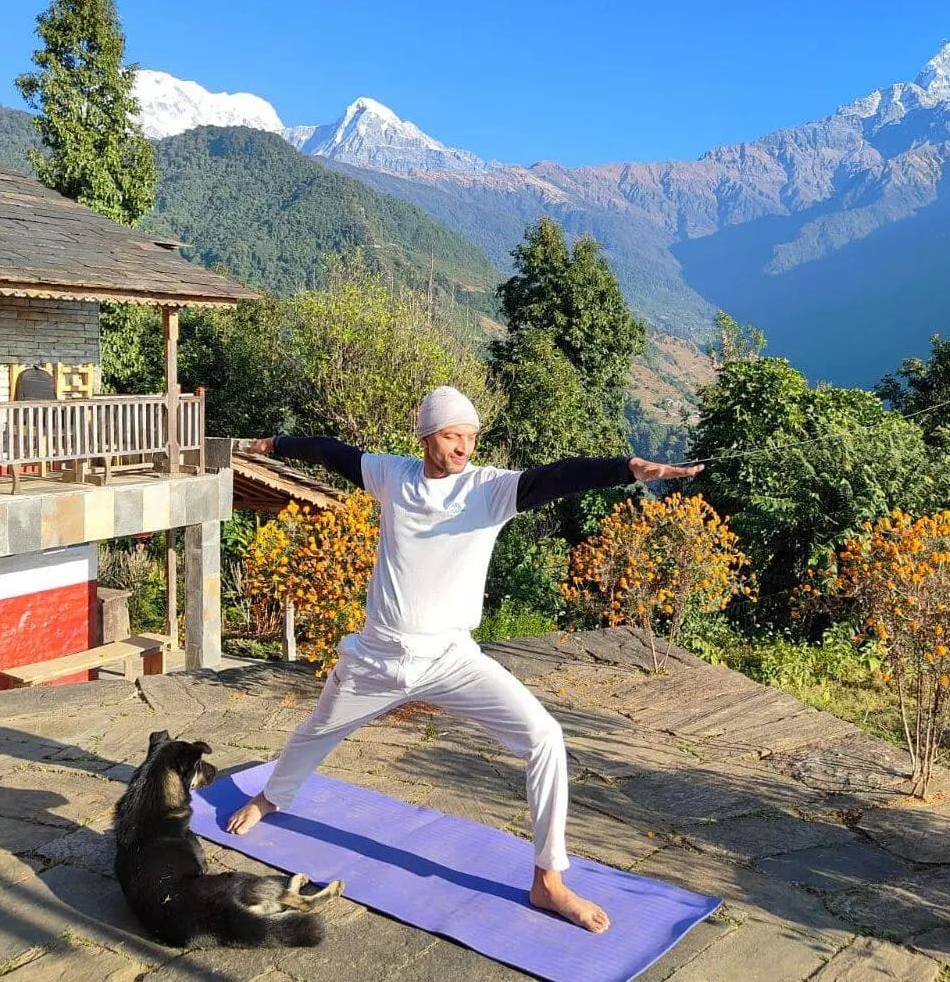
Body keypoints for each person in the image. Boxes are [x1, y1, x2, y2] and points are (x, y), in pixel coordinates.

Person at [227, 385, 704, 933]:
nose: (463, 448)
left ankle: (548, 879)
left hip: (452, 658)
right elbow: (330, 452)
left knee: (545, 737)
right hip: (377, 657)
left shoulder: (490, 490)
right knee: (316, 731)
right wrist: (275, 443)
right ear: (427, 436)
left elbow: (556, 476)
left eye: (471, 437)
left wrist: (626, 468)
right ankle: (270, 798)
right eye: (453, 436)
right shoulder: (392, 476)